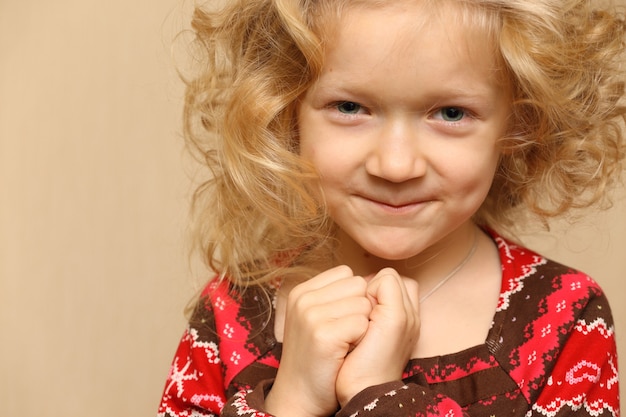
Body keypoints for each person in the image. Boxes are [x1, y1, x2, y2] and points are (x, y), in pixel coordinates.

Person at [158, 0, 625, 415]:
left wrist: (379, 396)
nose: (396, 165)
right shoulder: (231, 311)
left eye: (450, 113)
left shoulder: (562, 319)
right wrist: (290, 401)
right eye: (349, 107)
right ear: (287, 110)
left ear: (521, 122)